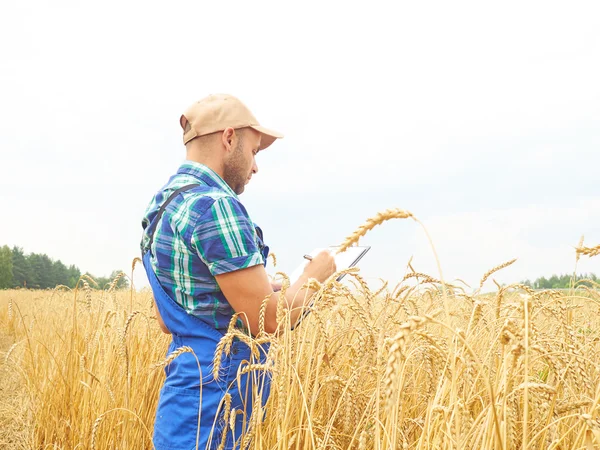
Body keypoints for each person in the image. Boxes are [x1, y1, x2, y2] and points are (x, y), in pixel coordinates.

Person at [140, 94, 336, 450]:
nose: (255, 166)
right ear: (229, 139)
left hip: (183, 400)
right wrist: (315, 276)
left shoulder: (162, 205)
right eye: (254, 152)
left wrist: (262, 287)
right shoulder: (217, 207)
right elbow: (269, 321)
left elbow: (169, 318)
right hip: (218, 401)